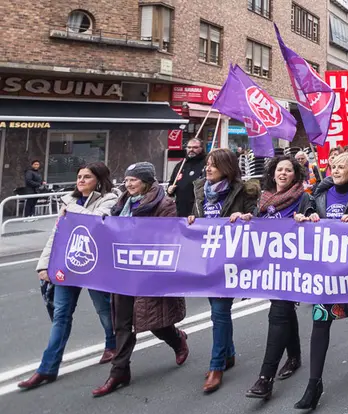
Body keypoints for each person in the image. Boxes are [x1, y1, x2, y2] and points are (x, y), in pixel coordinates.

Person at [19, 162, 118, 390]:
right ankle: (47, 369)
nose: (80, 180)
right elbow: (56, 236)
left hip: (95, 265)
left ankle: (111, 344)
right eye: (79, 176)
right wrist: (43, 266)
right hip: (67, 264)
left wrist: (72, 212)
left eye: (87, 177)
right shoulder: (68, 201)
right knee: (61, 315)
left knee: (104, 308)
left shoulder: (110, 199)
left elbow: (99, 224)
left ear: (99, 180)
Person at [92, 162, 188, 397]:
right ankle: (119, 372)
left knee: (153, 321)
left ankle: (177, 341)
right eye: (126, 179)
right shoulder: (121, 203)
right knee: (122, 323)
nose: (129, 183)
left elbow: (168, 238)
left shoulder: (164, 204)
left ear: (146, 181)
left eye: (133, 179)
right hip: (123, 271)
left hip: (148, 272)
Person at [293, 152, 348, 411]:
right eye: (332, 166)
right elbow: (305, 215)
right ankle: (314, 384)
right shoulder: (318, 194)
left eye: (340, 166)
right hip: (326, 268)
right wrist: (306, 217)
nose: (335, 170)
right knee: (320, 319)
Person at [187, 149, 260, 393]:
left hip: (229, 261)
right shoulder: (200, 189)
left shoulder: (245, 190)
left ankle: (216, 366)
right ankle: (228, 354)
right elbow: (194, 215)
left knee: (219, 311)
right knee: (217, 312)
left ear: (226, 168)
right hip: (205, 258)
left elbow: (258, 218)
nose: (208, 169)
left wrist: (245, 217)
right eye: (207, 164)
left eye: (213, 165)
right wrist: (189, 219)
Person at [246, 156, 315, 400]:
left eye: (288, 170)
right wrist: (246, 219)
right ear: (273, 174)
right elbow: (256, 223)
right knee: (285, 313)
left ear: (295, 175)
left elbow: (315, 221)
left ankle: (265, 378)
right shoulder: (264, 198)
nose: (283, 173)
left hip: (293, 269)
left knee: (277, 314)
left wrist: (306, 219)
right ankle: (294, 357)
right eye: (279, 170)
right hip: (269, 267)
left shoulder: (303, 198)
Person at [167, 138, 206, 217]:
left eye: (195, 147)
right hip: (181, 208)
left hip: (198, 208)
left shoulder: (206, 164)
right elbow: (171, 182)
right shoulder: (180, 165)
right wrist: (169, 190)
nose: (191, 150)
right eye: (189, 147)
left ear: (202, 148)